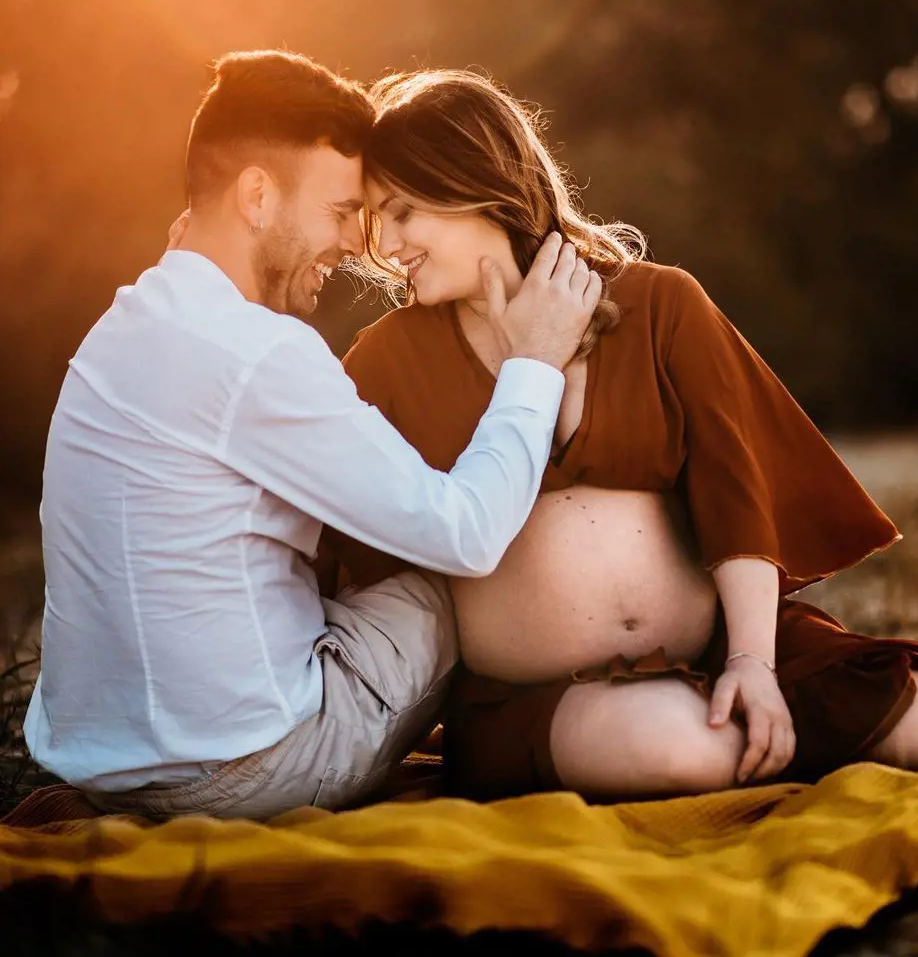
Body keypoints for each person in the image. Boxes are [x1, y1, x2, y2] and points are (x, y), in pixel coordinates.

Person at [327, 68, 918, 805]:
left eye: (401, 212)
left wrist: (752, 662)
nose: (384, 245)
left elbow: (737, 489)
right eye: (373, 220)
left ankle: (763, 724)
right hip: (533, 695)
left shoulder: (661, 304)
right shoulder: (387, 360)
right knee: (684, 750)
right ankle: (756, 751)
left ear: (471, 183)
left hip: (723, 641)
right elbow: (343, 543)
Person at [23, 50, 603, 821]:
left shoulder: (127, 324)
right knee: (451, 586)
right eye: (339, 212)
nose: (353, 245)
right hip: (241, 776)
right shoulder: (254, 352)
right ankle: (541, 738)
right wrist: (532, 364)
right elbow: (465, 534)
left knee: (354, 583)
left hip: (106, 765)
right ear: (258, 196)